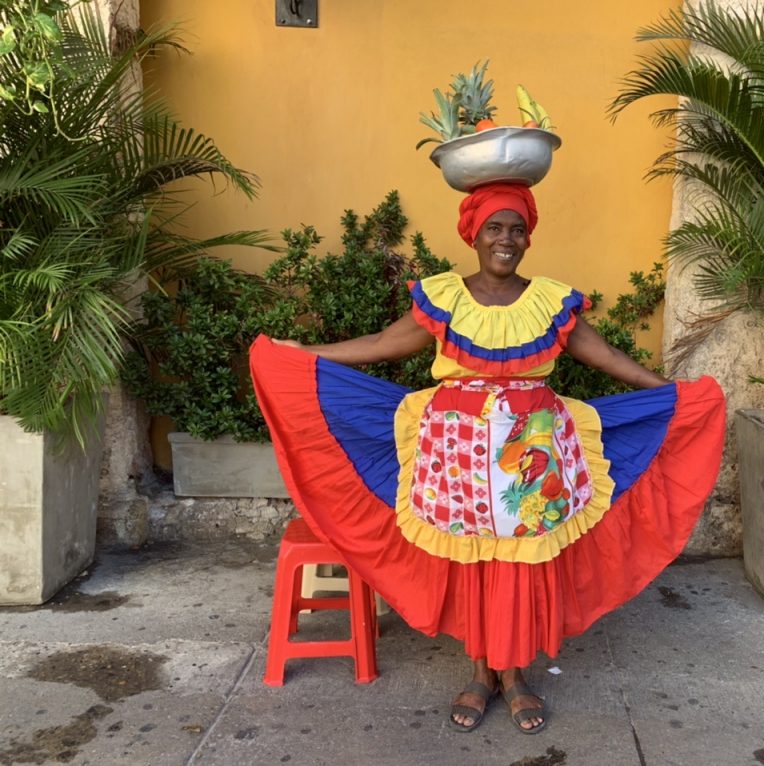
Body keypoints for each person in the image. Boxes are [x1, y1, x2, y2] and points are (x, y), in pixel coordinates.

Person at [249, 182, 725, 735]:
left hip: (533, 454)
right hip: (457, 453)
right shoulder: (444, 296)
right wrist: (303, 355)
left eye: (517, 229)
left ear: (529, 237)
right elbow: (384, 342)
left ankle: (515, 675)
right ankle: (480, 672)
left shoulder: (550, 299)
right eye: (495, 228)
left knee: (522, 562)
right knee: (474, 560)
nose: (507, 239)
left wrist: (671, 391)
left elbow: (607, 356)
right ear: (473, 232)